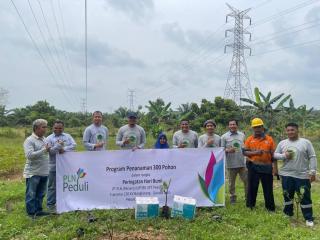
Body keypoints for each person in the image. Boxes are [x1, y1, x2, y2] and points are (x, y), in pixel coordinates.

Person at [274, 123, 317, 227]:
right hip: (286, 174)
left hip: (302, 175)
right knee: (287, 195)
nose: (290, 132)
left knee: (304, 196)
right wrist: (284, 155)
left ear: (297, 130)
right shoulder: (282, 143)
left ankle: (308, 218)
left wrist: (312, 171)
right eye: (288, 130)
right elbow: (275, 155)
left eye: (292, 130)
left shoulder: (305, 142)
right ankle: (288, 213)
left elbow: (312, 156)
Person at [243, 118, 277, 211]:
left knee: (268, 188)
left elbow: (273, 155)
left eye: (259, 127)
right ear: (253, 128)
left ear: (262, 127)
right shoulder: (249, 139)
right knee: (252, 187)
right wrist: (256, 153)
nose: (257, 129)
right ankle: (250, 206)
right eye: (255, 127)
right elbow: (244, 152)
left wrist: (275, 168)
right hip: (253, 166)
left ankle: (270, 208)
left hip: (267, 166)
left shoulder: (269, 139)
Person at [46, 120, 76, 212]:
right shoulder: (48, 138)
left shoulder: (68, 136)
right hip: (53, 166)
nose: (58, 129)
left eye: (60, 128)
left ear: (63, 128)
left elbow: (74, 145)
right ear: (52, 128)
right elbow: (49, 151)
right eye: (56, 128)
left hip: (66, 165)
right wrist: (58, 147)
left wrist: (64, 149)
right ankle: (51, 204)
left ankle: (67, 201)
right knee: (52, 186)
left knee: (67, 184)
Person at [23, 119, 50, 217]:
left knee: (41, 193)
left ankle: (38, 210)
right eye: (43, 127)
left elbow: (47, 151)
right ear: (36, 128)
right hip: (33, 172)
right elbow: (29, 155)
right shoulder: (29, 140)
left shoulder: (44, 139)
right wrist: (44, 150)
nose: (45, 129)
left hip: (44, 171)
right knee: (31, 194)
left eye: (46, 127)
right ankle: (31, 213)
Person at [221, 119, 247, 204]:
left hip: (242, 163)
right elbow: (221, 150)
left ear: (237, 125)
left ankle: (248, 197)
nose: (232, 126)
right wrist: (228, 150)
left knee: (246, 181)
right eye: (230, 124)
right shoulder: (224, 137)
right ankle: (233, 198)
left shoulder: (242, 135)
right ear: (228, 126)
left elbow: (244, 147)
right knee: (231, 183)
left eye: (234, 124)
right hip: (230, 164)